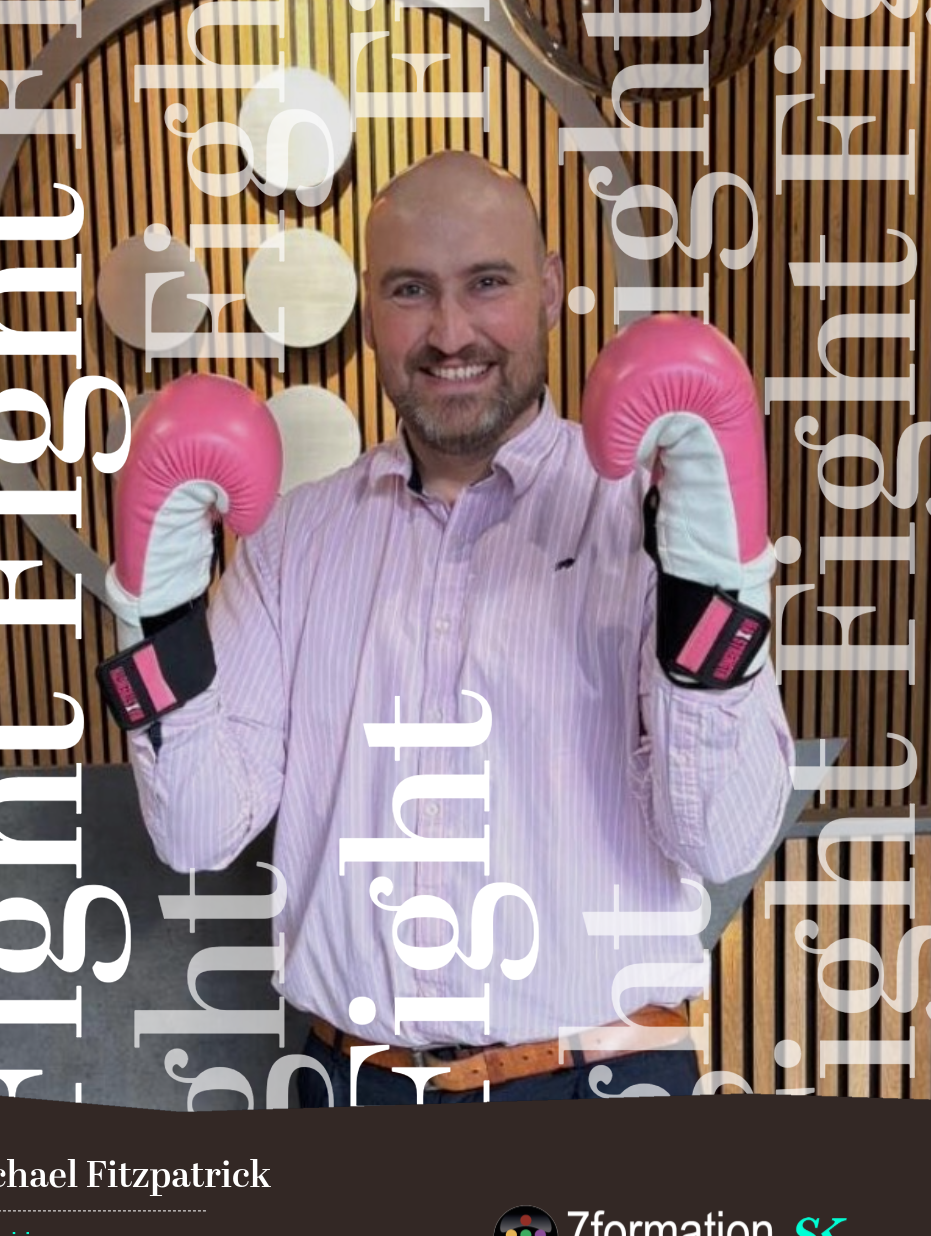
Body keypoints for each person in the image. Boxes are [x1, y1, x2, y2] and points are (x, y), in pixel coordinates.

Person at [104, 151, 795, 1105]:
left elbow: (721, 838)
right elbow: (197, 830)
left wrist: (711, 575)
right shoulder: (295, 544)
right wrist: (158, 608)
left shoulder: (652, 522)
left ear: (550, 289)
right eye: (410, 291)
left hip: (595, 1085)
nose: (449, 332)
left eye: (487, 283)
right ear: (371, 308)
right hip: (352, 1092)